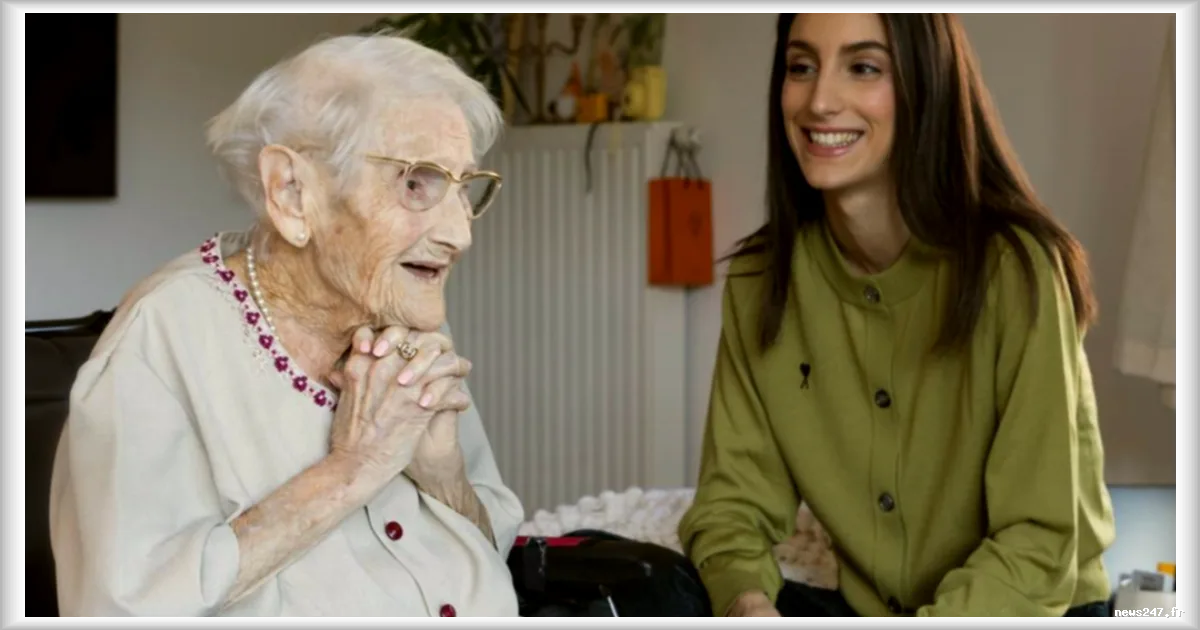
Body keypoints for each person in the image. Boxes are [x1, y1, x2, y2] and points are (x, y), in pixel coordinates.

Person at [48, 33, 525, 617]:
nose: (460, 233)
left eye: (464, 187)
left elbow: (491, 547)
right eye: (416, 182)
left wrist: (445, 477)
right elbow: (121, 605)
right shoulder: (166, 338)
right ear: (293, 193)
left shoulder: (400, 317)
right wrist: (353, 468)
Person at [677, 13, 1115, 618]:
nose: (820, 100)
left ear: (925, 85)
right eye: (801, 67)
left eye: (863, 67)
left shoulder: (1016, 272)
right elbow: (731, 504)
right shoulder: (761, 280)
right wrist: (749, 605)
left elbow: (1037, 546)